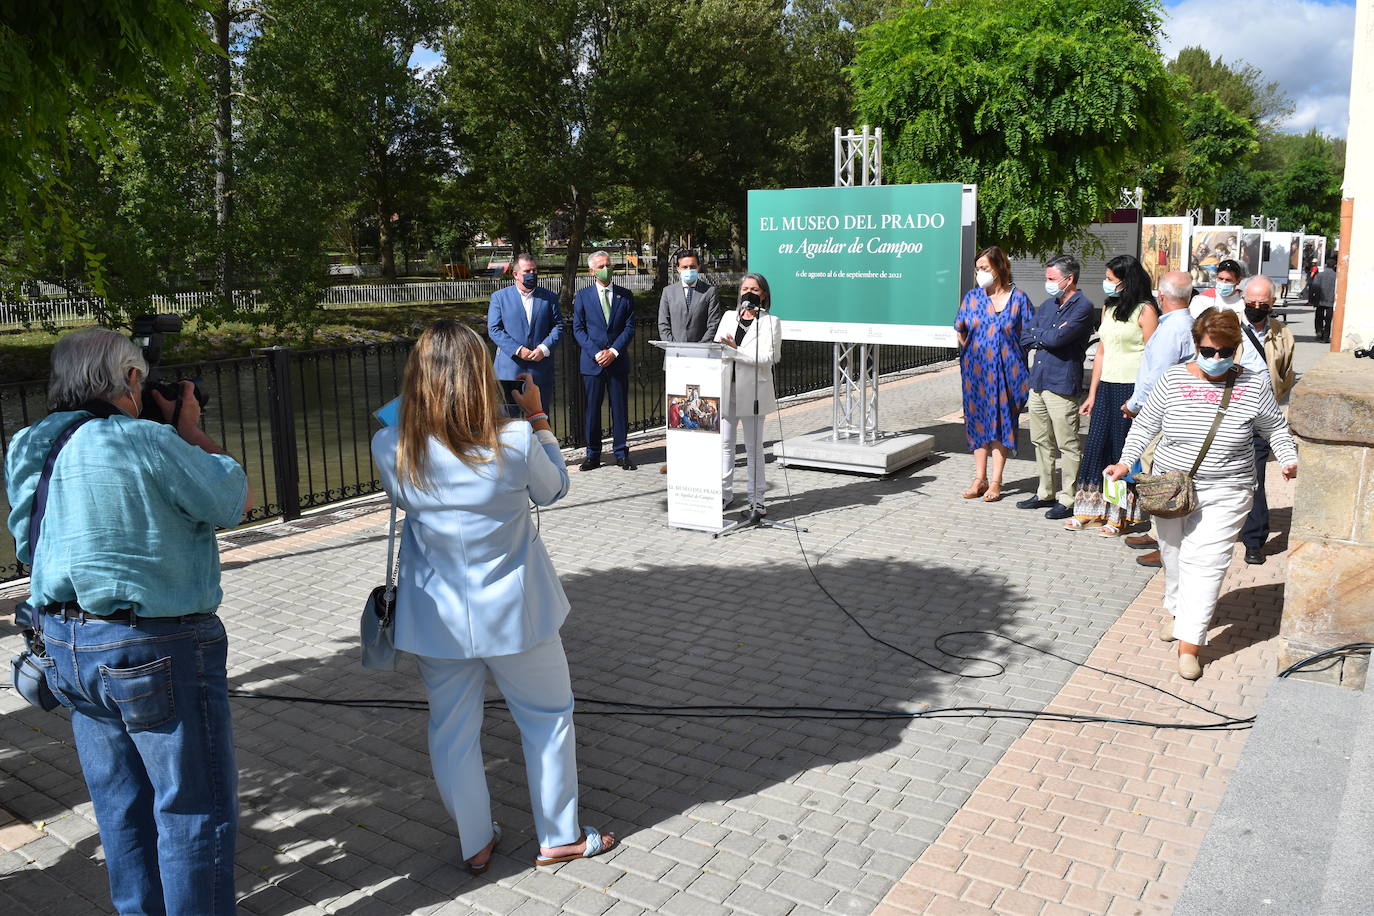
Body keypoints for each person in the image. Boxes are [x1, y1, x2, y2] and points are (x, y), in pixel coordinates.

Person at [4, 328, 250, 915]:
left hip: (66, 644)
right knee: (193, 805)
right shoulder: (145, 441)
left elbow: (25, 543)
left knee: (119, 803)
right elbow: (230, 501)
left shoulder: (30, 444)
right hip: (156, 646)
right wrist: (188, 429)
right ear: (132, 380)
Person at [370, 320, 615, 874]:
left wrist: (421, 397)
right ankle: (560, 835)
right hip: (517, 613)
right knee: (548, 718)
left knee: (451, 732)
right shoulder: (513, 440)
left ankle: (474, 841)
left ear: (418, 381)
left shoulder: (391, 445)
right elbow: (554, 489)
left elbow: (398, 424)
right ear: (482, 376)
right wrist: (537, 414)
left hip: (437, 616)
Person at [1107, 309, 1297, 680]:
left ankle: (1190, 644)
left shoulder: (1252, 384)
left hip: (1229, 489)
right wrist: (1125, 463)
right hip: (1171, 486)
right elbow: (1146, 424)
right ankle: (1178, 610)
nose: (1216, 358)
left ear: (1235, 349)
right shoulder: (1173, 379)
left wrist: (1288, 457)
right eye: (1208, 351)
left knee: (1206, 562)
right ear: (1196, 346)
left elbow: (1274, 427)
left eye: (1224, 351)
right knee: (1173, 554)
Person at [1065, 255, 1159, 535]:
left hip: (1131, 389)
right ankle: (1087, 510)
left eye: (1110, 279)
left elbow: (1152, 357)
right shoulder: (1108, 306)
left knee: (1122, 451)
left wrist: (1140, 398)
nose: (1106, 283)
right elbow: (1102, 351)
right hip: (1106, 386)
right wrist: (1091, 393)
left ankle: (1120, 515)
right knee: (1095, 447)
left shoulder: (1146, 310)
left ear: (1125, 281)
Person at [1121, 270, 1198, 568]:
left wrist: (1136, 405)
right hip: (1172, 410)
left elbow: (1159, 375)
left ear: (1162, 296)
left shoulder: (1170, 330)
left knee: (1159, 476)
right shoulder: (1185, 324)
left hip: (1161, 412)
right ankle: (1157, 534)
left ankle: (1166, 544)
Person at [1018, 255, 1095, 520]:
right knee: (1040, 440)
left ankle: (1068, 497)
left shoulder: (1082, 306)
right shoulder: (1047, 305)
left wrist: (1043, 337)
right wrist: (1044, 337)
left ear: (1069, 279)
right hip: (1038, 380)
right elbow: (1026, 334)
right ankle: (1045, 491)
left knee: (1067, 443)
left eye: (1051, 279)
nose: (1047, 283)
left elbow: (1059, 338)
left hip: (1061, 383)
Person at [953, 245, 1032, 502]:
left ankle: (996, 481)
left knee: (1002, 423)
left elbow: (1030, 334)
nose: (980, 273)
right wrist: (975, 353)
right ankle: (979, 478)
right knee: (977, 421)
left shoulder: (1019, 299)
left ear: (999, 268)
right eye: (978, 269)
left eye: (984, 268)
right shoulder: (972, 298)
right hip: (976, 374)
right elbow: (960, 329)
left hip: (1010, 374)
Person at [1237, 276, 1296, 566]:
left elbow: (1286, 373)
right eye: (1251, 303)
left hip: (1262, 415)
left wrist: (1273, 399)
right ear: (1243, 300)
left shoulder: (1282, 333)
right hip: (1228, 412)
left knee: (1256, 477)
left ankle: (1254, 541)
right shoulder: (1228, 326)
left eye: (1263, 304)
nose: (1257, 308)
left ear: (1272, 303)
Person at [715, 273, 782, 515]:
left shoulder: (770, 322)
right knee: (725, 444)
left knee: (753, 447)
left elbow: (768, 358)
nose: (749, 292)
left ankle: (757, 499)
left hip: (753, 391)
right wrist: (726, 351)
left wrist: (735, 351)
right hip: (726, 388)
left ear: (763, 294)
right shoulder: (727, 317)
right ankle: (724, 494)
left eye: (754, 289)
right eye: (745, 288)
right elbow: (717, 347)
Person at [572, 250, 636, 471]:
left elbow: (629, 327)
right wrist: (596, 353)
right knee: (592, 410)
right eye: (600, 266)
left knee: (619, 408)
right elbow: (578, 329)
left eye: (608, 265)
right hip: (593, 363)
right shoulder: (582, 296)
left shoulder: (625, 295)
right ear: (592, 271)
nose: (605, 269)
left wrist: (614, 351)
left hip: (617, 361)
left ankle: (621, 453)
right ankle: (593, 455)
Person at [488, 253, 564, 414]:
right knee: (507, 422)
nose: (532, 275)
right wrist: (518, 350)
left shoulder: (549, 297)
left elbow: (558, 326)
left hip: (540, 370)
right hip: (509, 370)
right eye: (527, 271)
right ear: (515, 274)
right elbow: (494, 329)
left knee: (541, 419)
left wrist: (544, 349)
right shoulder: (499, 298)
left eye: (534, 271)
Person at [657, 248, 723, 344]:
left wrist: (699, 348)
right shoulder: (668, 292)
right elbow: (663, 324)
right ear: (678, 268)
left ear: (698, 267)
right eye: (685, 267)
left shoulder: (709, 292)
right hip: (674, 353)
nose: (689, 270)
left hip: (701, 353)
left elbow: (713, 323)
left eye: (692, 266)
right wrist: (673, 346)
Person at [1313, 253, 1338, 343]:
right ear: (1334, 265)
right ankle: (1326, 337)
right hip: (1331, 301)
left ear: (1326, 265)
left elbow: (1314, 286)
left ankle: (1319, 331)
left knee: (1318, 317)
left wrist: (1312, 298)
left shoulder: (1320, 275)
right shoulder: (1336, 276)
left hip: (1320, 300)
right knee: (1328, 320)